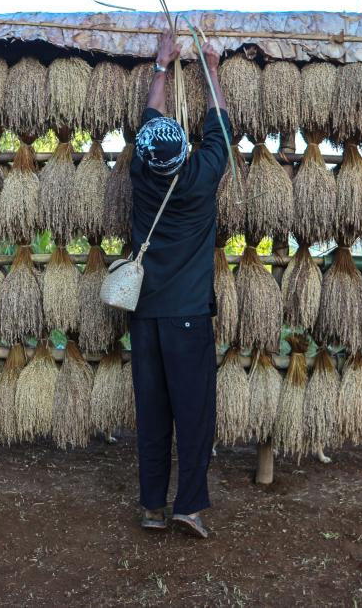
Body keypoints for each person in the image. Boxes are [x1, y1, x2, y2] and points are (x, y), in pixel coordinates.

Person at [128, 30, 231, 539]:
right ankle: (188, 507)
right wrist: (210, 68)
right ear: (184, 150)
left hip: (145, 315)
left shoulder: (141, 175)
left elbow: (151, 117)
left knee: (152, 412)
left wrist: (161, 67)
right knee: (193, 413)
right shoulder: (202, 174)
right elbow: (221, 130)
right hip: (189, 317)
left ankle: (151, 505)